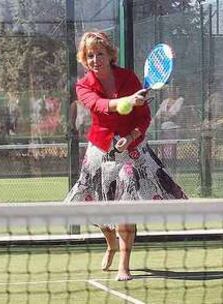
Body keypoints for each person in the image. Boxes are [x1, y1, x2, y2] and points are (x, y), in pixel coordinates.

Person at [64, 31, 188, 281]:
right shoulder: (83, 85)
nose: (95, 59)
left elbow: (144, 118)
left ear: (110, 55)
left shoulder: (129, 78)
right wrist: (127, 100)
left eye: (100, 53)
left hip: (131, 152)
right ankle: (110, 243)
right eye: (90, 55)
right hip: (100, 151)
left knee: (125, 208)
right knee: (95, 209)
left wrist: (131, 137)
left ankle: (124, 264)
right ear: (84, 59)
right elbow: (98, 105)